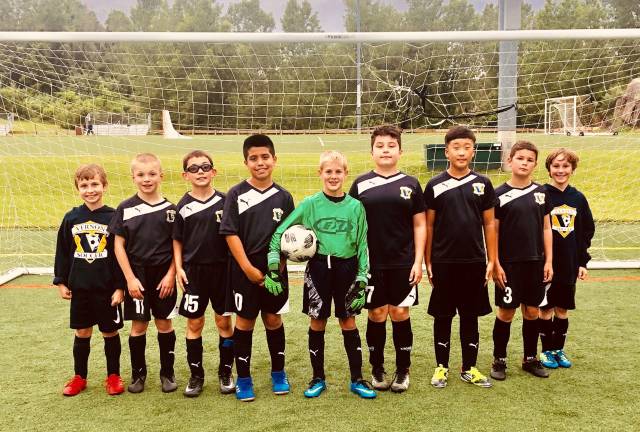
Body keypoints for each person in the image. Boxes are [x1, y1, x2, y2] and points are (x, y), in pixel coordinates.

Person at [270, 150, 376, 399]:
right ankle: (317, 377)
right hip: (318, 268)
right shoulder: (310, 204)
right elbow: (279, 233)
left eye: (338, 171)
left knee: (348, 321)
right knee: (317, 321)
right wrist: (274, 262)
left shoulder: (356, 206)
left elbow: (362, 244)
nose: (333, 176)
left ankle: (357, 379)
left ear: (345, 174)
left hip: (347, 268)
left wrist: (363, 276)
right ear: (320, 173)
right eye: (328, 171)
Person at [349, 125, 425, 393]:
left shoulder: (411, 184)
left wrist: (418, 261)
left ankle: (403, 369)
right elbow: (353, 224)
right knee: (377, 313)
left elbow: (419, 225)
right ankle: (377, 367)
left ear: (400, 151)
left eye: (391, 145)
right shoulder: (360, 184)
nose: (385, 150)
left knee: (400, 312)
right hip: (371, 263)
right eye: (380, 145)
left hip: (403, 262)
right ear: (372, 151)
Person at [219, 134, 295, 402]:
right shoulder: (236, 194)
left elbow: (290, 237)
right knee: (245, 321)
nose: (260, 162)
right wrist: (248, 269)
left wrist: (279, 269)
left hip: (275, 273)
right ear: (245, 162)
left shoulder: (284, 197)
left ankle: (278, 373)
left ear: (274, 160)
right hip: (244, 272)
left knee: (273, 319)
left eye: (265, 157)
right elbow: (230, 234)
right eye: (254, 158)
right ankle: (244, 378)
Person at [423, 126, 496, 389]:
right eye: (456, 147)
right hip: (443, 262)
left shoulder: (483, 184)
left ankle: (469, 367)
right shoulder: (434, 185)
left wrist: (492, 259)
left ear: (473, 151)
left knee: (470, 316)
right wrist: (428, 260)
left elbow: (489, 224)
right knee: (443, 316)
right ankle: (441, 367)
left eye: (467, 147)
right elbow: (428, 225)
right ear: (446, 152)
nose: (462, 152)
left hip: (474, 262)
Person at [108, 153, 178, 393]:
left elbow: (177, 246)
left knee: (164, 323)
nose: (146, 179)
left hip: (163, 276)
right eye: (141, 175)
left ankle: (167, 373)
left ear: (161, 176)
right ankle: (139, 375)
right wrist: (129, 278)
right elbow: (118, 245)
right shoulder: (125, 208)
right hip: (136, 275)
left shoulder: (171, 210)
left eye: (151, 174)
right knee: (138, 326)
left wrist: (171, 275)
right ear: (133, 177)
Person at [54, 164, 125, 396]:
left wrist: (120, 287)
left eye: (94, 184)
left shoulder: (114, 217)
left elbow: (120, 255)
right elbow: (63, 251)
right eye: (84, 185)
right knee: (82, 332)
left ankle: (113, 376)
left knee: (109, 332)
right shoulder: (71, 218)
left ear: (104, 186)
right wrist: (61, 281)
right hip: (80, 288)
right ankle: (79, 377)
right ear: (78, 188)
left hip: (106, 289)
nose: (90, 190)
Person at [173, 150, 235, 397]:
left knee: (223, 321)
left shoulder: (225, 201)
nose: (200, 172)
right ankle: (196, 375)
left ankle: (225, 371)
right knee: (195, 322)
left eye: (205, 167)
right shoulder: (183, 206)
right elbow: (176, 240)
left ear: (214, 171)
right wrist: (178, 267)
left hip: (222, 271)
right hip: (194, 273)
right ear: (185, 175)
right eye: (194, 168)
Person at [490, 140, 553, 380]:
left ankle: (529, 358)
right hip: (509, 265)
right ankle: (499, 359)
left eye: (529, 160)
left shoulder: (541, 192)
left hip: (535, 262)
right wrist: (495, 262)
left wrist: (549, 261)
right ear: (510, 161)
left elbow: (547, 229)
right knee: (506, 312)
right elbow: (492, 232)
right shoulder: (498, 194)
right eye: (520, 158)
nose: (524, 163)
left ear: (535, 165)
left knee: (532, 311)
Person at [539, 148, 595, 369]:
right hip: (547, 264)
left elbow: (586, 231)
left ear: (572, 169)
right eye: (556, 166)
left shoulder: (578, 198)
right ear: (549, 169)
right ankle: (544, 351)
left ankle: (558, 350)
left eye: (565, 166)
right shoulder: (541, 194)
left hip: (570, 263)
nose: (560, 170)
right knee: (546, 309)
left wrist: (583, 262)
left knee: (562, 309)